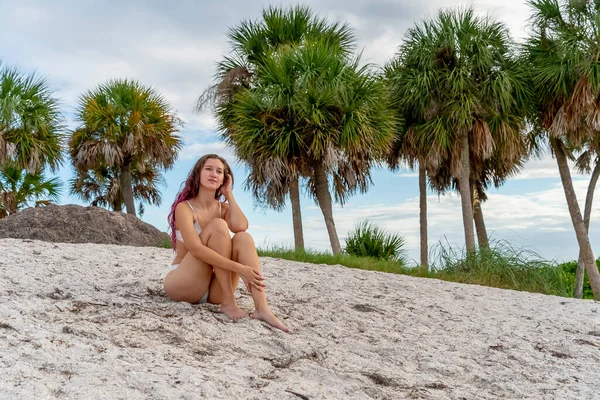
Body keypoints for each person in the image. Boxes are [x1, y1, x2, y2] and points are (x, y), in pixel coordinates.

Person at [163, 154, 288, 332]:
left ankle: (262, 308)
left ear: (224, 179)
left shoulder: (224, 208)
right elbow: (196, 250)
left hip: (214, 290)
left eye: (219, 171)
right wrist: (239, 268)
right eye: (208, 169)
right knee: (219, 226)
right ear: (198, 174)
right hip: (184, 283)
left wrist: (229, 195)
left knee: (243, 238)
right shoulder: (184, 208)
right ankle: (229, 302)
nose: (214, 174)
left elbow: (241, 226)